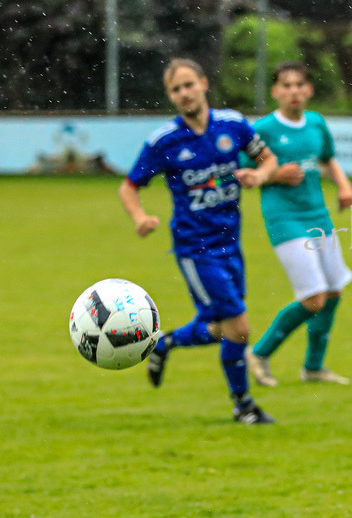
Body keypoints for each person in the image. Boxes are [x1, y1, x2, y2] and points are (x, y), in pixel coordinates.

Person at [118, 58, 277, 424]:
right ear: (170, 97)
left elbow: (268, 159)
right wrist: (141, 217)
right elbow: (129, 187)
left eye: (189, 84)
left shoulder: (233, 125)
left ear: (204, 84)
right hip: (195, 248)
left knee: (221, 327)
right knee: (238, 326)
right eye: (176, 89)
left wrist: (259, 174)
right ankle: (244, 405)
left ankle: (166, 342)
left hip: (231, 243)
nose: (185, 93)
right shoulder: (165, 142)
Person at [242, 61, 352, 388]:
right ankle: (259, 353)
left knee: (334, 291)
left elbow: (327, 158)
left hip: (318, 215)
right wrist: (275, 174)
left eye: (299, 85)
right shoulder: (263, 130)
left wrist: (344, 187)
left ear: (309, 90)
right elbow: (243, 172)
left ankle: (313, 367)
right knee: (314, 298)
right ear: (275, 91)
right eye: (286, 85)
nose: (293, 91)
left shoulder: (316, 124)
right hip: (284, 219)